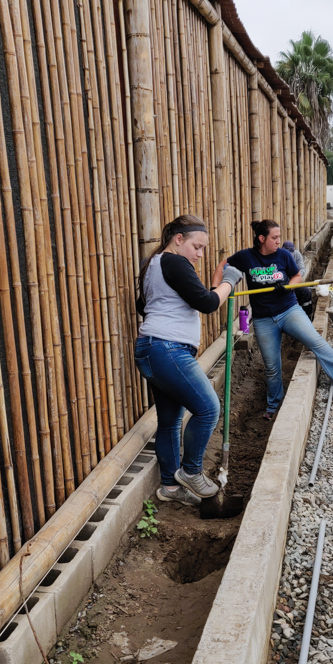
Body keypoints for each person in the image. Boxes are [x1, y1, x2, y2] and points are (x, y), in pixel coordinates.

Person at [135, 214, 243, 505]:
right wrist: (230, 282)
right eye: (197, 247)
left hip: (152, 347)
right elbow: (207, 302)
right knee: (208, 408)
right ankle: (191, 472)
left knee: (170, 421)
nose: (199, 254)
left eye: (203, 249)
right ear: (178, 239)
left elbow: (143, 305)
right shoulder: (174, 261)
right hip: (167, 349)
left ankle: (170, 488)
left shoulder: (152, 264)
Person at [213, 219, 333, 420]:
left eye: (279, 236)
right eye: (275, 237)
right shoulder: (246, 257)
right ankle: (273, 405)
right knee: (271, 365)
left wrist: (287, 284)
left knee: (316, 342)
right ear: (262, 239)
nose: (279, 241)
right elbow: (222, 266)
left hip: (289, 311)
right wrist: (214, 290)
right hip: (263, 320)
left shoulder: (284, 256)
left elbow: (297, 275)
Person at [281, 240, 313, 319]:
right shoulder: (278, 256)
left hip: (294, 284)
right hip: (282, 286)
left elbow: (302, 268)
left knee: (306, 292)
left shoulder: (297, 254)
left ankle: (308, 315)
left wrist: (295, 277)